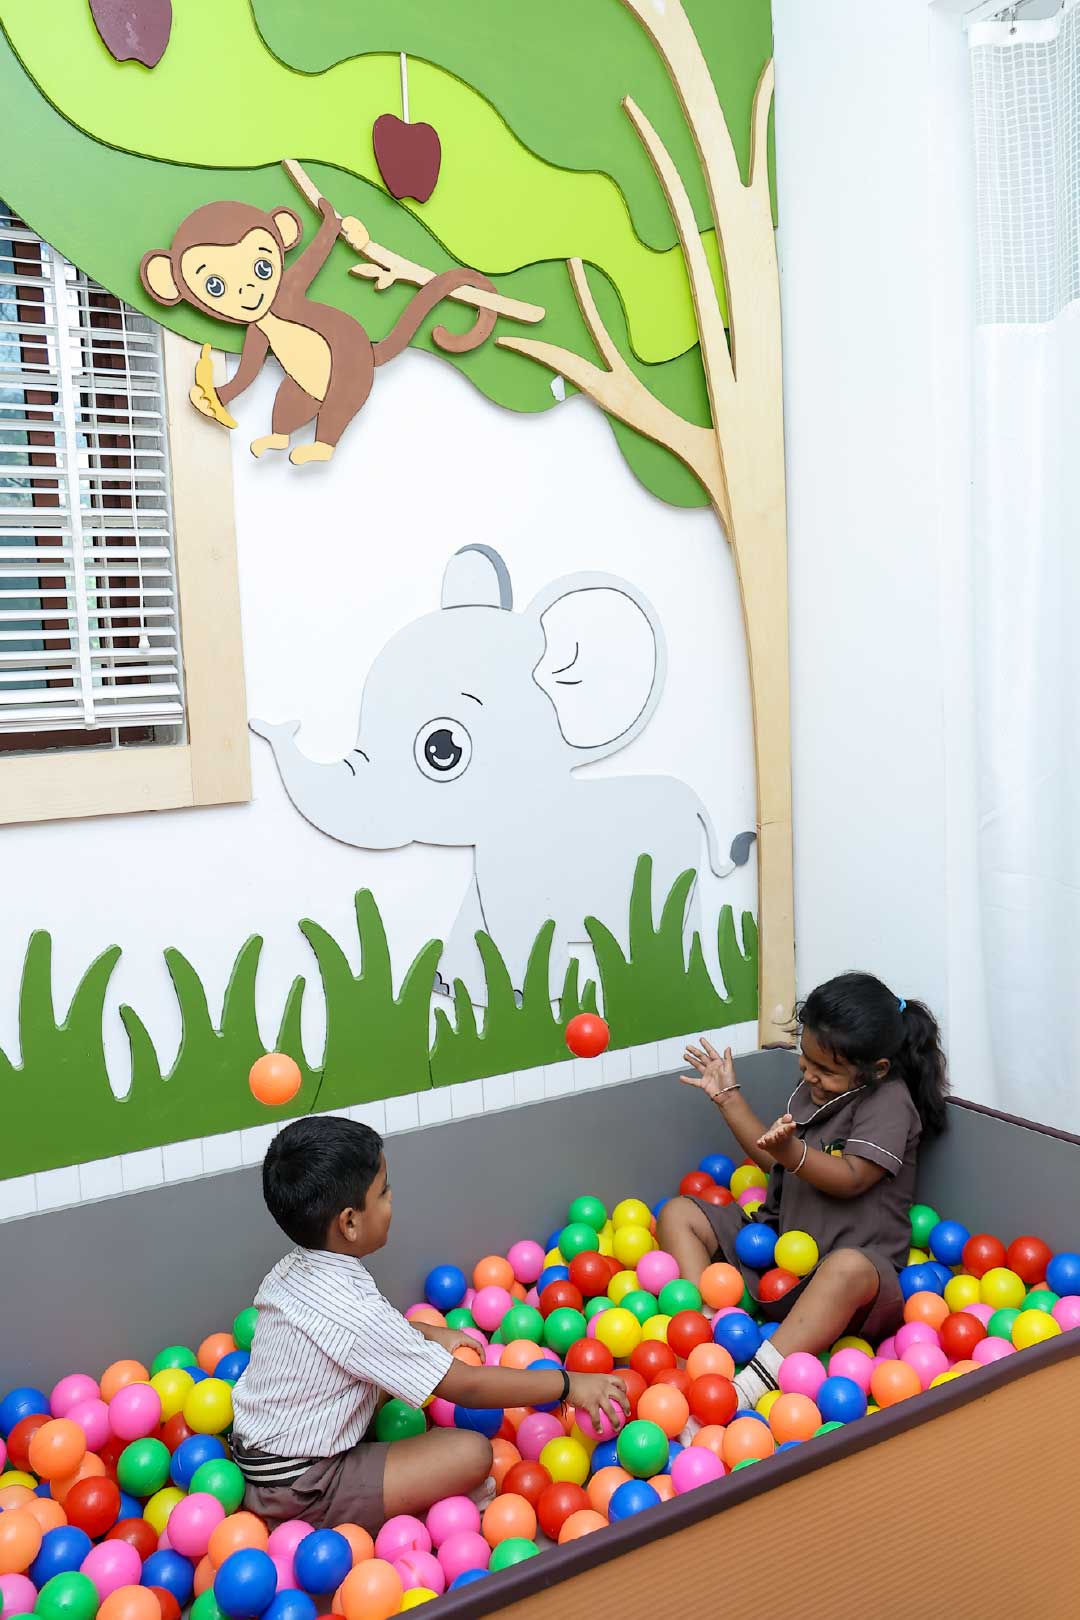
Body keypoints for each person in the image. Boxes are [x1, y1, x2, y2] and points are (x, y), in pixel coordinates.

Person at [229, 1115, 627, 1532]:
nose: (391, 1200)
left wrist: (432, 1333)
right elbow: (467, 1387)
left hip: (258, 1452)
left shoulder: (293, 1270)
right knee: (472, 1453)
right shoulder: (355, 1310)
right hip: (302, 1485)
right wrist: (569, 1385)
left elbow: (361, 1337)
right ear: (349, 1222)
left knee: (389, 1384)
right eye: (383, 1193)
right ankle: (404, 1514)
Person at [658, 971, 948, 1412]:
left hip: (849, 1283)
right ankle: (713, 1333)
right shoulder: (818, 1089)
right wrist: (730, 1100)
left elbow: (851, 1176)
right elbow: (777, 1162)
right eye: (805, 1060)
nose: (809, 1074)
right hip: (778, 1257)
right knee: (679, 1213)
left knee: (847, 1268)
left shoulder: (888, 1103)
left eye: (825, 1070)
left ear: (877, 1069)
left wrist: (794, 1153)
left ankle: (750, 1385)